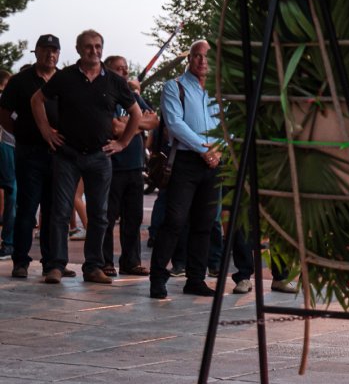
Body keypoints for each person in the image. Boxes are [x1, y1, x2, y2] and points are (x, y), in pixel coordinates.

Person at [32, 30, 142, 285]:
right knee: (60, 212)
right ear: (79, 49)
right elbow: (37, 100)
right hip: (67, 156)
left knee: (99, 215)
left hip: (100, 157)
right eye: (89, 47)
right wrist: (47, 131)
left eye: (98, 46)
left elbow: (135, 112)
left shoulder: (114, 81)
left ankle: (93, 267)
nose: (94, 51)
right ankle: (56, 266)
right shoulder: (65, 77)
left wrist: (123, 142)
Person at [147, 40, 221, 299]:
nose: (202, 61)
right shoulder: (174, 86)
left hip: (214, 164)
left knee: (205, 224)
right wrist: (205, 149)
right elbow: (175, 124)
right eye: (197, 56)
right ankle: (157, 279)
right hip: (186, 163)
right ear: (189, 58)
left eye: (206, 57)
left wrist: (218, 149)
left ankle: (196, 280)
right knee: (174, 222)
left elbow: (230, 125)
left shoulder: (218, 91)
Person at [0, 35, 61, 279]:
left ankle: (50, 263)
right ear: (36, 52)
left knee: (53, 210)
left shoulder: (64, 80)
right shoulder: (20, 81)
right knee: (26, 209)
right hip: (30, 154)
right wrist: (23, 135)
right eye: (45, 50)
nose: (50, 55)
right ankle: (21, 261)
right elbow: (3, 115)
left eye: (55, 50)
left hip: (58, 155)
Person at [103, 56, 158, 276]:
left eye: (126, 69)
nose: (126, 73)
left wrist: (127, 124)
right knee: (107, 219)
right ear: (107, 71)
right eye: (119, 69)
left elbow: (154, 121)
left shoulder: (133, 97)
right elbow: (113, 129)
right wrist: (137, 123)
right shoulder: (105, 96)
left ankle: (131, 261)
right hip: (112, 167)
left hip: (136, 167)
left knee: (133, 218)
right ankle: (105, 262)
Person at [0, 70, 15, 259]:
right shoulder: (8, 98)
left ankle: (9, 243)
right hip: (9, 147)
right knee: (13, 195)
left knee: (13, 196)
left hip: (12, 146)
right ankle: (9, 242)